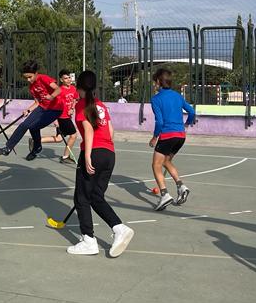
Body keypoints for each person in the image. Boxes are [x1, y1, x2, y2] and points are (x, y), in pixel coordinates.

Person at [66, 70, 134, 257]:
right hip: (109, 153)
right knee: (96, 196)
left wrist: (87, 155)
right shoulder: (101, 105)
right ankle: (119, 228)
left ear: (78, 86)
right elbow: (111, 131)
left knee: (81, 198)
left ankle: (88, 240)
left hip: (94, 152)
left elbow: (88, 130)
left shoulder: (82, 104)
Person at [149, 68, 197, 211]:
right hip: (180, 136)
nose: (154, 84)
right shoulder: (177, 96)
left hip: (167, 136)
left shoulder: (156, 99)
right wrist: (187, 124)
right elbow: (192, 111)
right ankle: (181, 187)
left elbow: (159, 122)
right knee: (166, 161)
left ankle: (164, 195)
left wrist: (155, 137)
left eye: (155, 81)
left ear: (158, 82)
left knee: (156, 165)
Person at [0, 60, 62, 161]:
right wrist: (28, 110)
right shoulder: (32, 86)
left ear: (36, 73)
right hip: (42, 107)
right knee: (24, 125)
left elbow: (58, 89)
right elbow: (37, 102)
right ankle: (8, 148)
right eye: (26, 78)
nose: (28, 80)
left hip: (55, 109)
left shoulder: (43, 78)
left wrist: (51, 96)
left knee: (33, 127)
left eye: (30, 77)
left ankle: (36, 148)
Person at [39, 69, 78, 163]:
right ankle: (65, 157)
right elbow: (53, 106)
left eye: (69, 77)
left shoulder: (73, 88)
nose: (68, 80)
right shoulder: (59, 91)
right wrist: (55, 120)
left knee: (59, 138)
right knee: (73, 135)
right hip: (62, 117)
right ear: (61, 80)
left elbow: (75, 99)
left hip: (67, 116)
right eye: (66, 78)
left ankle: (36, 140)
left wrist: (72, 108)